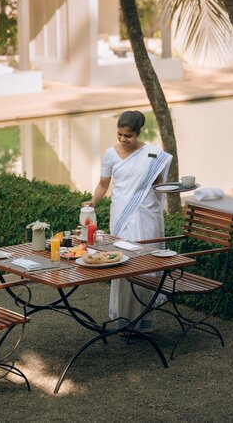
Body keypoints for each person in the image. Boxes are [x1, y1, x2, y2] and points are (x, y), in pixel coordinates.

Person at [84, 110, 172, 332]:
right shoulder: (110, 154)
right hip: (121, 214)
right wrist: (93, 201)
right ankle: (124, 321)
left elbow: (158, 185)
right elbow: (104, 184)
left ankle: (144, 322)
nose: (123, 139)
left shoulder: (152, 155)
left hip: (146, 214)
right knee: (122, 263)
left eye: (128, 136)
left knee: (145, 266)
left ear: (138, 133)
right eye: (119, 135)